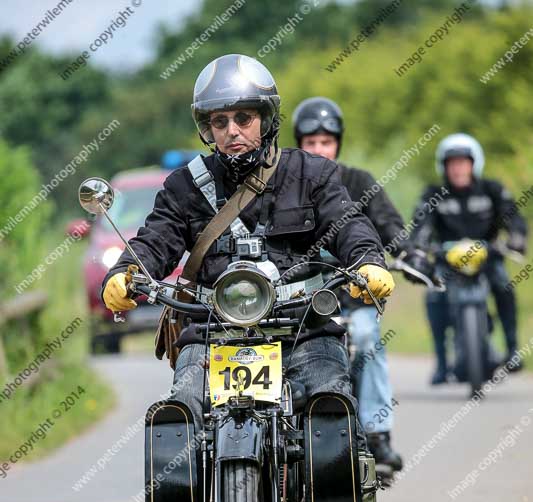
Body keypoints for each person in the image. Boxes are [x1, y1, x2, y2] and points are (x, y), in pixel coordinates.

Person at [101, 55, 394, 442]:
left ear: (266, 118)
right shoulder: (185, 187)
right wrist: (124, 272)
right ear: (207, 128)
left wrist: (368, 262)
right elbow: (157, 238)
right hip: (211, 329)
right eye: (219, 122)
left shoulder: (312, 174)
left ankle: (336, 494)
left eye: (243, 118)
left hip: (302, 325)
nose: (232, 130)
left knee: (331, 408)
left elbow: (349, 225)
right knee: (178, 418)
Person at [293, 96, 418, 471]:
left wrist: (408, 252)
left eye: (325, 142)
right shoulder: (287, 182)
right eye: (310, 143)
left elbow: (388, 223)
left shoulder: (357, 181)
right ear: (299, 143)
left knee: (365, 338)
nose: (318, 150)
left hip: (353, 293)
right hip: (299, 298)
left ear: (338, 143)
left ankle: (377, 432)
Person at [411, 133, 528, 383]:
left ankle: (512, 350)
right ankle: (442, 363)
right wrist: (419, 245)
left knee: (504, 286)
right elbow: (421, 224)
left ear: (474, 163)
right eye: (452, 163)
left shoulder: (492, 190)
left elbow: (514, 217)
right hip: (447, 262)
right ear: (443, 166)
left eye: (463, 162)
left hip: (489, 259)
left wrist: (517, 237)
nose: (458, 168)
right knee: (434, 295)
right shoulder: (434, 194)